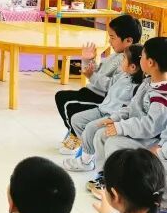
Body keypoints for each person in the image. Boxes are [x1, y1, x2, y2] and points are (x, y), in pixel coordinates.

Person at [90, 37, 167, 197]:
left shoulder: (161, 95)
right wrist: (115, 118)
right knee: (101, 134)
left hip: (149, 140)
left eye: (142, 56)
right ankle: (104, 176)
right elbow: (132, 107)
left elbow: (150, 126)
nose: (140, 58)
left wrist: (120, 127)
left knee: (114, 142)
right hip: (135, 131)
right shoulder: (148, 82)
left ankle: (118, 187)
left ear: (150, 63)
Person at [56, 15, 142, 155]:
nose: (109, 41)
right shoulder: (115, 56)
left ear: (128, 40)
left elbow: (110, 85)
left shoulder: (129, 63)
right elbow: (97, 72)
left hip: (101, 97)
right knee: (62, 97)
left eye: (112, 37)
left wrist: (92, 75)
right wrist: (88, 60)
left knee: (68, 104)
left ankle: (76, 137)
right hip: (93, 91)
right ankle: (77, 136)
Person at [63, 45, 143, 172]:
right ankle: (90, 153)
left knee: (91, 128)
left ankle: (85, 162)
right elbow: (107, 83)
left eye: (124, 59)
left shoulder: (138, 86)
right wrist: (90, 71)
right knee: (76, 120)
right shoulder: (123, 75)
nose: (121, 61)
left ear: (132, 67)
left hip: (113, 116)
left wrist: (113, 119)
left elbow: (130, 110)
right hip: (102, 109)